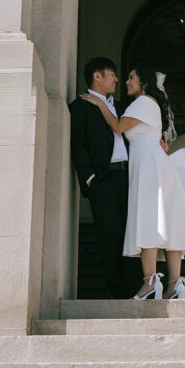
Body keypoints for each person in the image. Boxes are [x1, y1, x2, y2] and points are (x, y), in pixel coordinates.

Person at [81, 63, 185, 300]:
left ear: (144, 81)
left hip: (148, 167)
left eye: (131, 77)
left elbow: (118, 126)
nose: (126, 81)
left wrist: (99, 103)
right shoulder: (146, 105)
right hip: (155, 163)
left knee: (149, 220)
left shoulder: (144, 102)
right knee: (168, 223)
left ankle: (150, 282)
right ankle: (174, 284)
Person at [69, 57, 132, 299]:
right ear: (97, 76)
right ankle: (116, 289)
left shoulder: (123, 107)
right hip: (102, 181)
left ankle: (135, 286)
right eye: (112, 74)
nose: (116, 79)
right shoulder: (79, 107)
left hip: (129, 177)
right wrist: (90, 179)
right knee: (110, 233)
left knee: (131, 231)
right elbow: (78, 145)